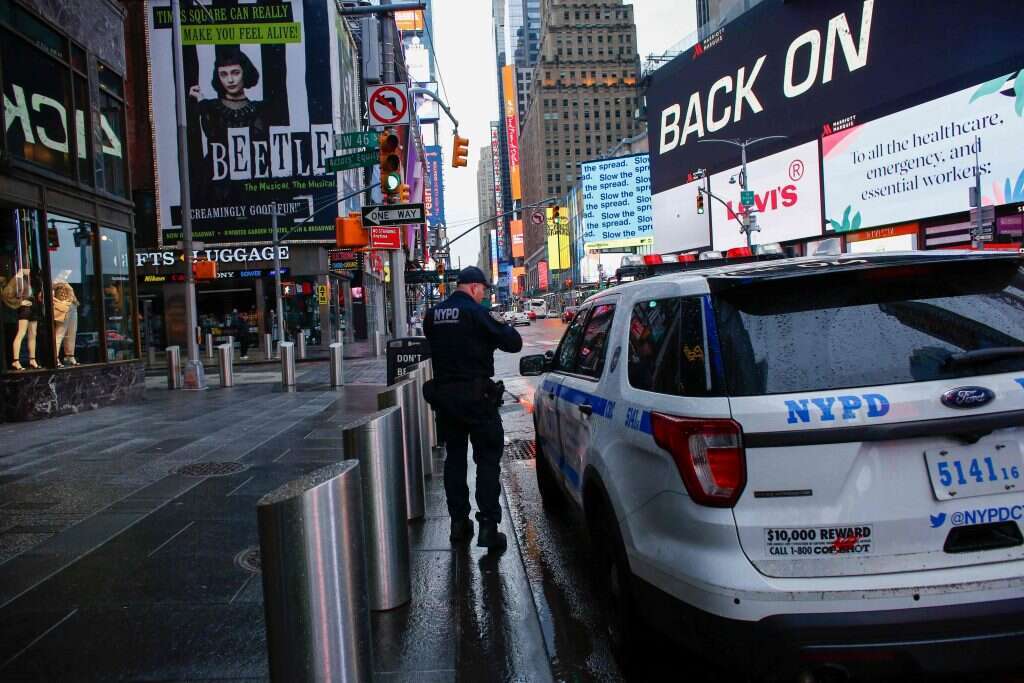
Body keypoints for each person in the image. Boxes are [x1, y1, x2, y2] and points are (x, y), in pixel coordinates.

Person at [423, 266, 522, 551]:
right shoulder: (478, 313)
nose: (484, 295)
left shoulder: (434, 315)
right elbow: (514, 343)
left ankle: (458, 523)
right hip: (478, 399)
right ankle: (488, 526)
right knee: (487, 461)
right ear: (475, 287)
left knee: (454, 460)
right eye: (484, 291)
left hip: (446, 399)